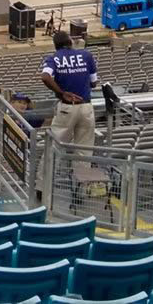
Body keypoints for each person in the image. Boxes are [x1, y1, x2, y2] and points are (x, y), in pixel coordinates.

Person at [40, 31, 97, 194]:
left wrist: (61, 92)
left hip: (66, 108)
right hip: (86, 108)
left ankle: (42, 187)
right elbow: (94, 83)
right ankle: (81, 190)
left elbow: (45, 77)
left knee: (53, 148)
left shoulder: (54, 59)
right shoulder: (86, 56)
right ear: (70, 42)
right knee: (84, 152)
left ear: (55, 46)